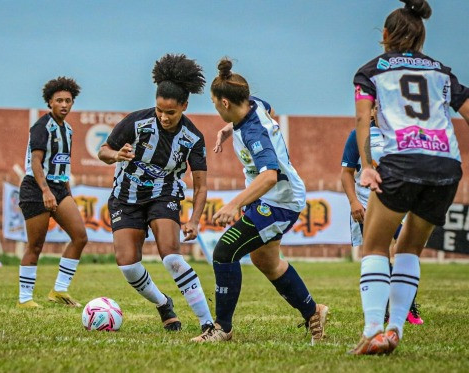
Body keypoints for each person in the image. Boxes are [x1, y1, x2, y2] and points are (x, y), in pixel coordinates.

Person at [350, 0, 469, 355]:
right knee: (410, 249)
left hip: (400, 163)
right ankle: (395, 329)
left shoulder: (370, 72)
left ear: (385, 35)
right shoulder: (441, 71)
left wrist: (368, 165)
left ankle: (373, 330)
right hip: (445, 166)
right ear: (420, 38)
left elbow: (361, 121)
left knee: (373, 247)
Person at [191, 58, 329, 344]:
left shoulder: (255, 132)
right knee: (266, 261)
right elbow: (270, 109)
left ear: (226, 103)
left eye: (215, 104)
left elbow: (269, 176)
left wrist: (233, 204)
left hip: (280, 202)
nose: (215, 109)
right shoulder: (253, 104)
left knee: (225, 251)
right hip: (272, 196)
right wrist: (229, 130)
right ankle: (313, 311)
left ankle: (222, 328)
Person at [97, 54, 213, 332]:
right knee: (128, 267)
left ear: (184, 106)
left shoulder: (193, 138)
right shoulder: (135, 123)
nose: (163, 116)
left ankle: (208, 324)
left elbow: (201, 184)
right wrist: (117, 156)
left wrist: (194, 220)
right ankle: (163, 304)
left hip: (165, 196)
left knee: (171, 257)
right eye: (160, 109)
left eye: (171, 112)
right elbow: (102, 151)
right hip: (126, 197)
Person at [340, 107, 423, 325]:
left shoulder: (405, 135)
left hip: (400, 204)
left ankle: (406, 306)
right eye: (377, 107)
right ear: (371, 111)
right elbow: (346, 173)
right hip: (368, 205)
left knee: (404, 250)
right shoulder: (359, 135)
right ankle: (383, 309)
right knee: (379, 253)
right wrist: (353, 202)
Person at [17, 76, 88, 309]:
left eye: (68, 100)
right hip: (36, 188)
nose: (64, 105)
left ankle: (59, 289)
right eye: (59, 100)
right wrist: (46, 191)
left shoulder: (68, 129)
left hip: (59, 187)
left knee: (80, 236)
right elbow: (36, 162)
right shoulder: (41, 127)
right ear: (50, 102)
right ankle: (25, 299)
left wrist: (65, 192)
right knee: (35, 245)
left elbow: (62, 164)